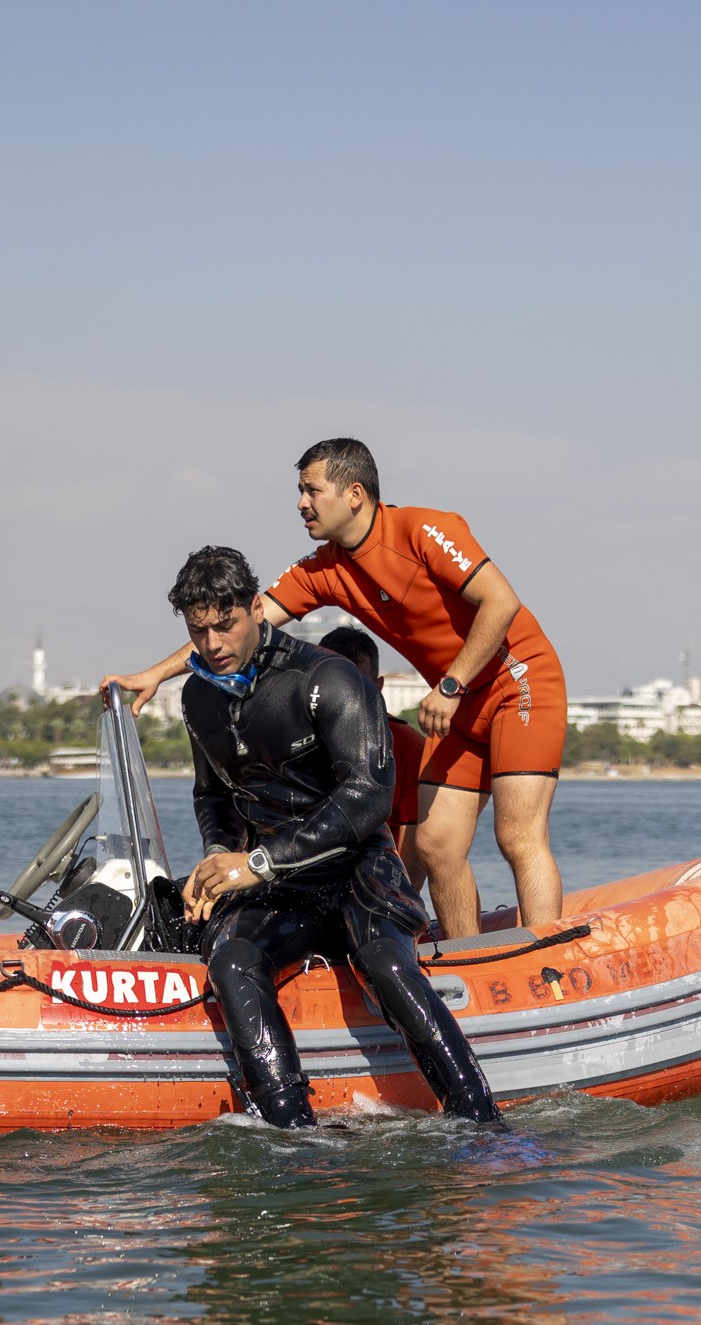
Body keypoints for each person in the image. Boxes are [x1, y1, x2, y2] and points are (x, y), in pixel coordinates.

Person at [108, 438, 565, 941]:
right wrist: (156, 673)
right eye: (299, 490)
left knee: (517, 836)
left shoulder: (426, 530)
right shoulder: (324, 569)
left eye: (311, 490)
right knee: (437, 847)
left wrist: (453, 683)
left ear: (354, 493)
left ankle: (546, 961)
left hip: (516, 684)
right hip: (455, 706)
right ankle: (468, 964)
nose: (301, 502)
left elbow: (501, 602)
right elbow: (234, 629)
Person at [171, 546, 498, 1129]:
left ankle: (481, 1121)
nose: (213, 644)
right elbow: (214, 796)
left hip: (357, 873)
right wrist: (220, 856)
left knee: (383, 962)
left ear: (255, 609)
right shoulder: (198, 697)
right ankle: (289, 1131)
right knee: (232, 957)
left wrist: (261, 862)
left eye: (226, 625)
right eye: (199, 632)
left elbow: (369, 796)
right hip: (276, 885)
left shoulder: (327, 678)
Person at [318, 625, 427, 894]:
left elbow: (414, 851)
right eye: (336, 682)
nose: (345, 695)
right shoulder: (289, 740)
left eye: (357, 682)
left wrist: (399, 902)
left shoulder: (409, 746)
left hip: (378, 886)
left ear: (377, 686)